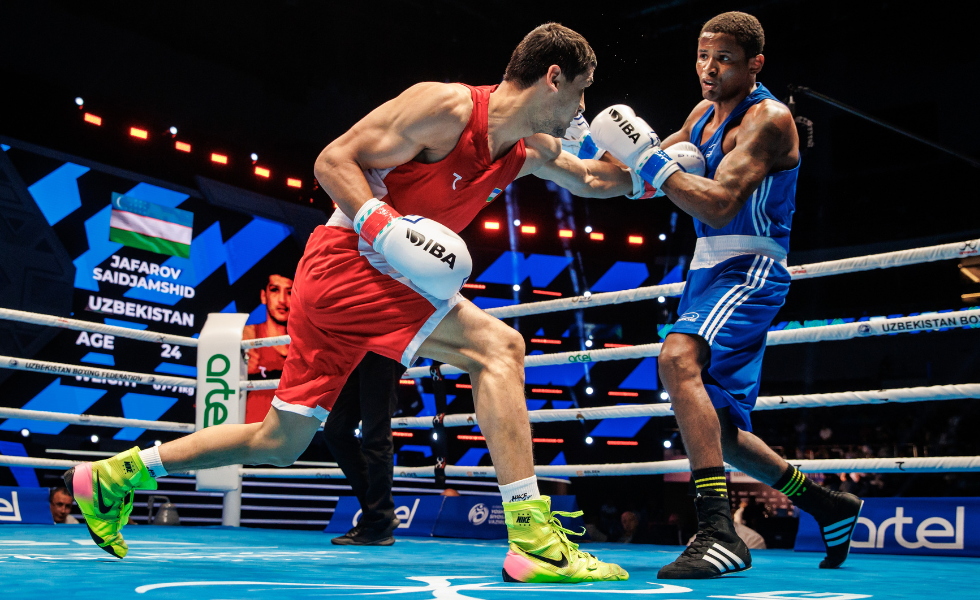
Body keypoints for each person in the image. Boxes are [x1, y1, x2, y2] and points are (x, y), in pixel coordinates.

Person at [65, 22, 638, 583]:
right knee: (499, 348)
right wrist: (385, 229)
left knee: (279, 442)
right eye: (583, 89)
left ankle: (117, 473)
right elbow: (332, 159)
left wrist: (659, 170)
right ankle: (535, 539)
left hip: (351, 284)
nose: (583, 107)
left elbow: (593, 180)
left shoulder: (527, 147)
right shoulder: (445, 108)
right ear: (554, 78)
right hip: (351, 262)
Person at [588, 11, 862, 579]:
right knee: (720, 428)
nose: (709, 70)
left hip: (751, 264)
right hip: (706, 269)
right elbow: (637, 180)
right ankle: (827, 506)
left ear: (755, 63)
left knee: (676, 357)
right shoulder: (701, 115)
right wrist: (558, 158)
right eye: (702, 57)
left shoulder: (769, 119)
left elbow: (716, 201)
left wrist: (651, 161)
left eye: (725, 60)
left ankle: (719, 531)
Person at [324, 352, 406, 546]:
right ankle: (379, 514)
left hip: (384, 347)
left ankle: (378, 522)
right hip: (356, 349)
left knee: (375, 434)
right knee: (336, 431)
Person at [244, 273, 293, 424]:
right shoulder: (247, 335)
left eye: (289, 292)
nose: (282, 300)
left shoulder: (304, 344)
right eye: (275, 290)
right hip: (253, 433)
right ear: (264, 296)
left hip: (290, 434)